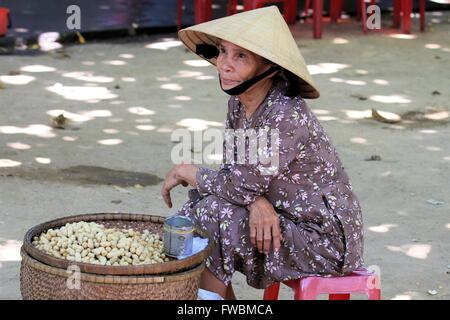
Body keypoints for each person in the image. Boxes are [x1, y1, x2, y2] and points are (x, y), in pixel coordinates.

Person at [161, 6, 364, 300]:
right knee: (197, 211)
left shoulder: (285, 115)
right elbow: (236, 177)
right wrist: (255, 201)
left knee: (215, 212)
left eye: (240, 56)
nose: (224, 65)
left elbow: (236, 185)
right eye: (222, 52)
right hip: (281, 219)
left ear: (269, 66)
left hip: (323, 239)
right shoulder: (239, 104)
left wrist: (184, 170)